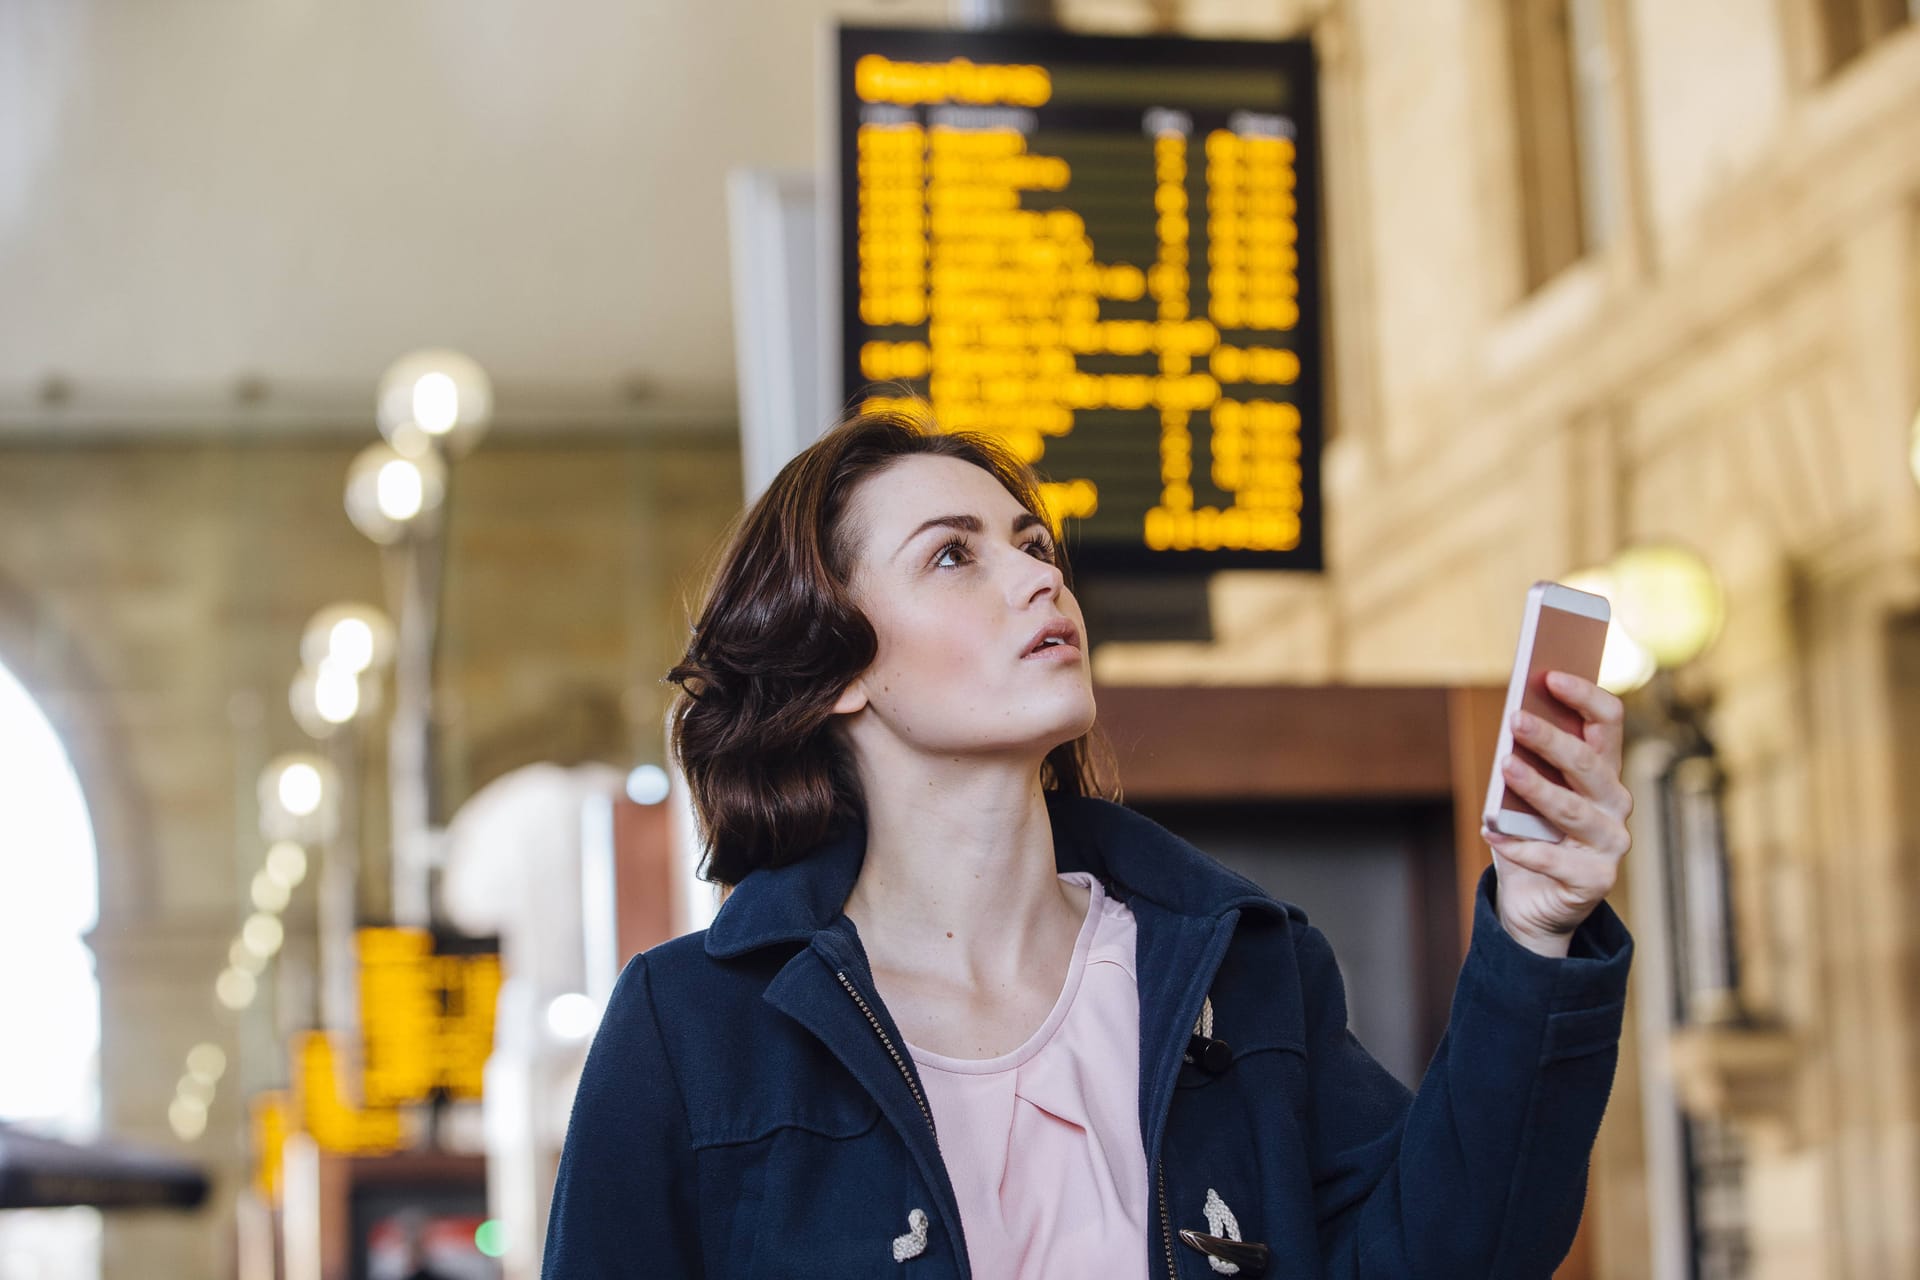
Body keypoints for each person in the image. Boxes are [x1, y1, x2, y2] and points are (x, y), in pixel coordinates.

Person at [542, 407, 1634, 1279]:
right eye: (951, 558)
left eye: (1033, 544)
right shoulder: (689, 1027)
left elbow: (1450, 1251)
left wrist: (1535, 933)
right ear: (839, 670)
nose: (1037, 576)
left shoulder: (1247, 971)